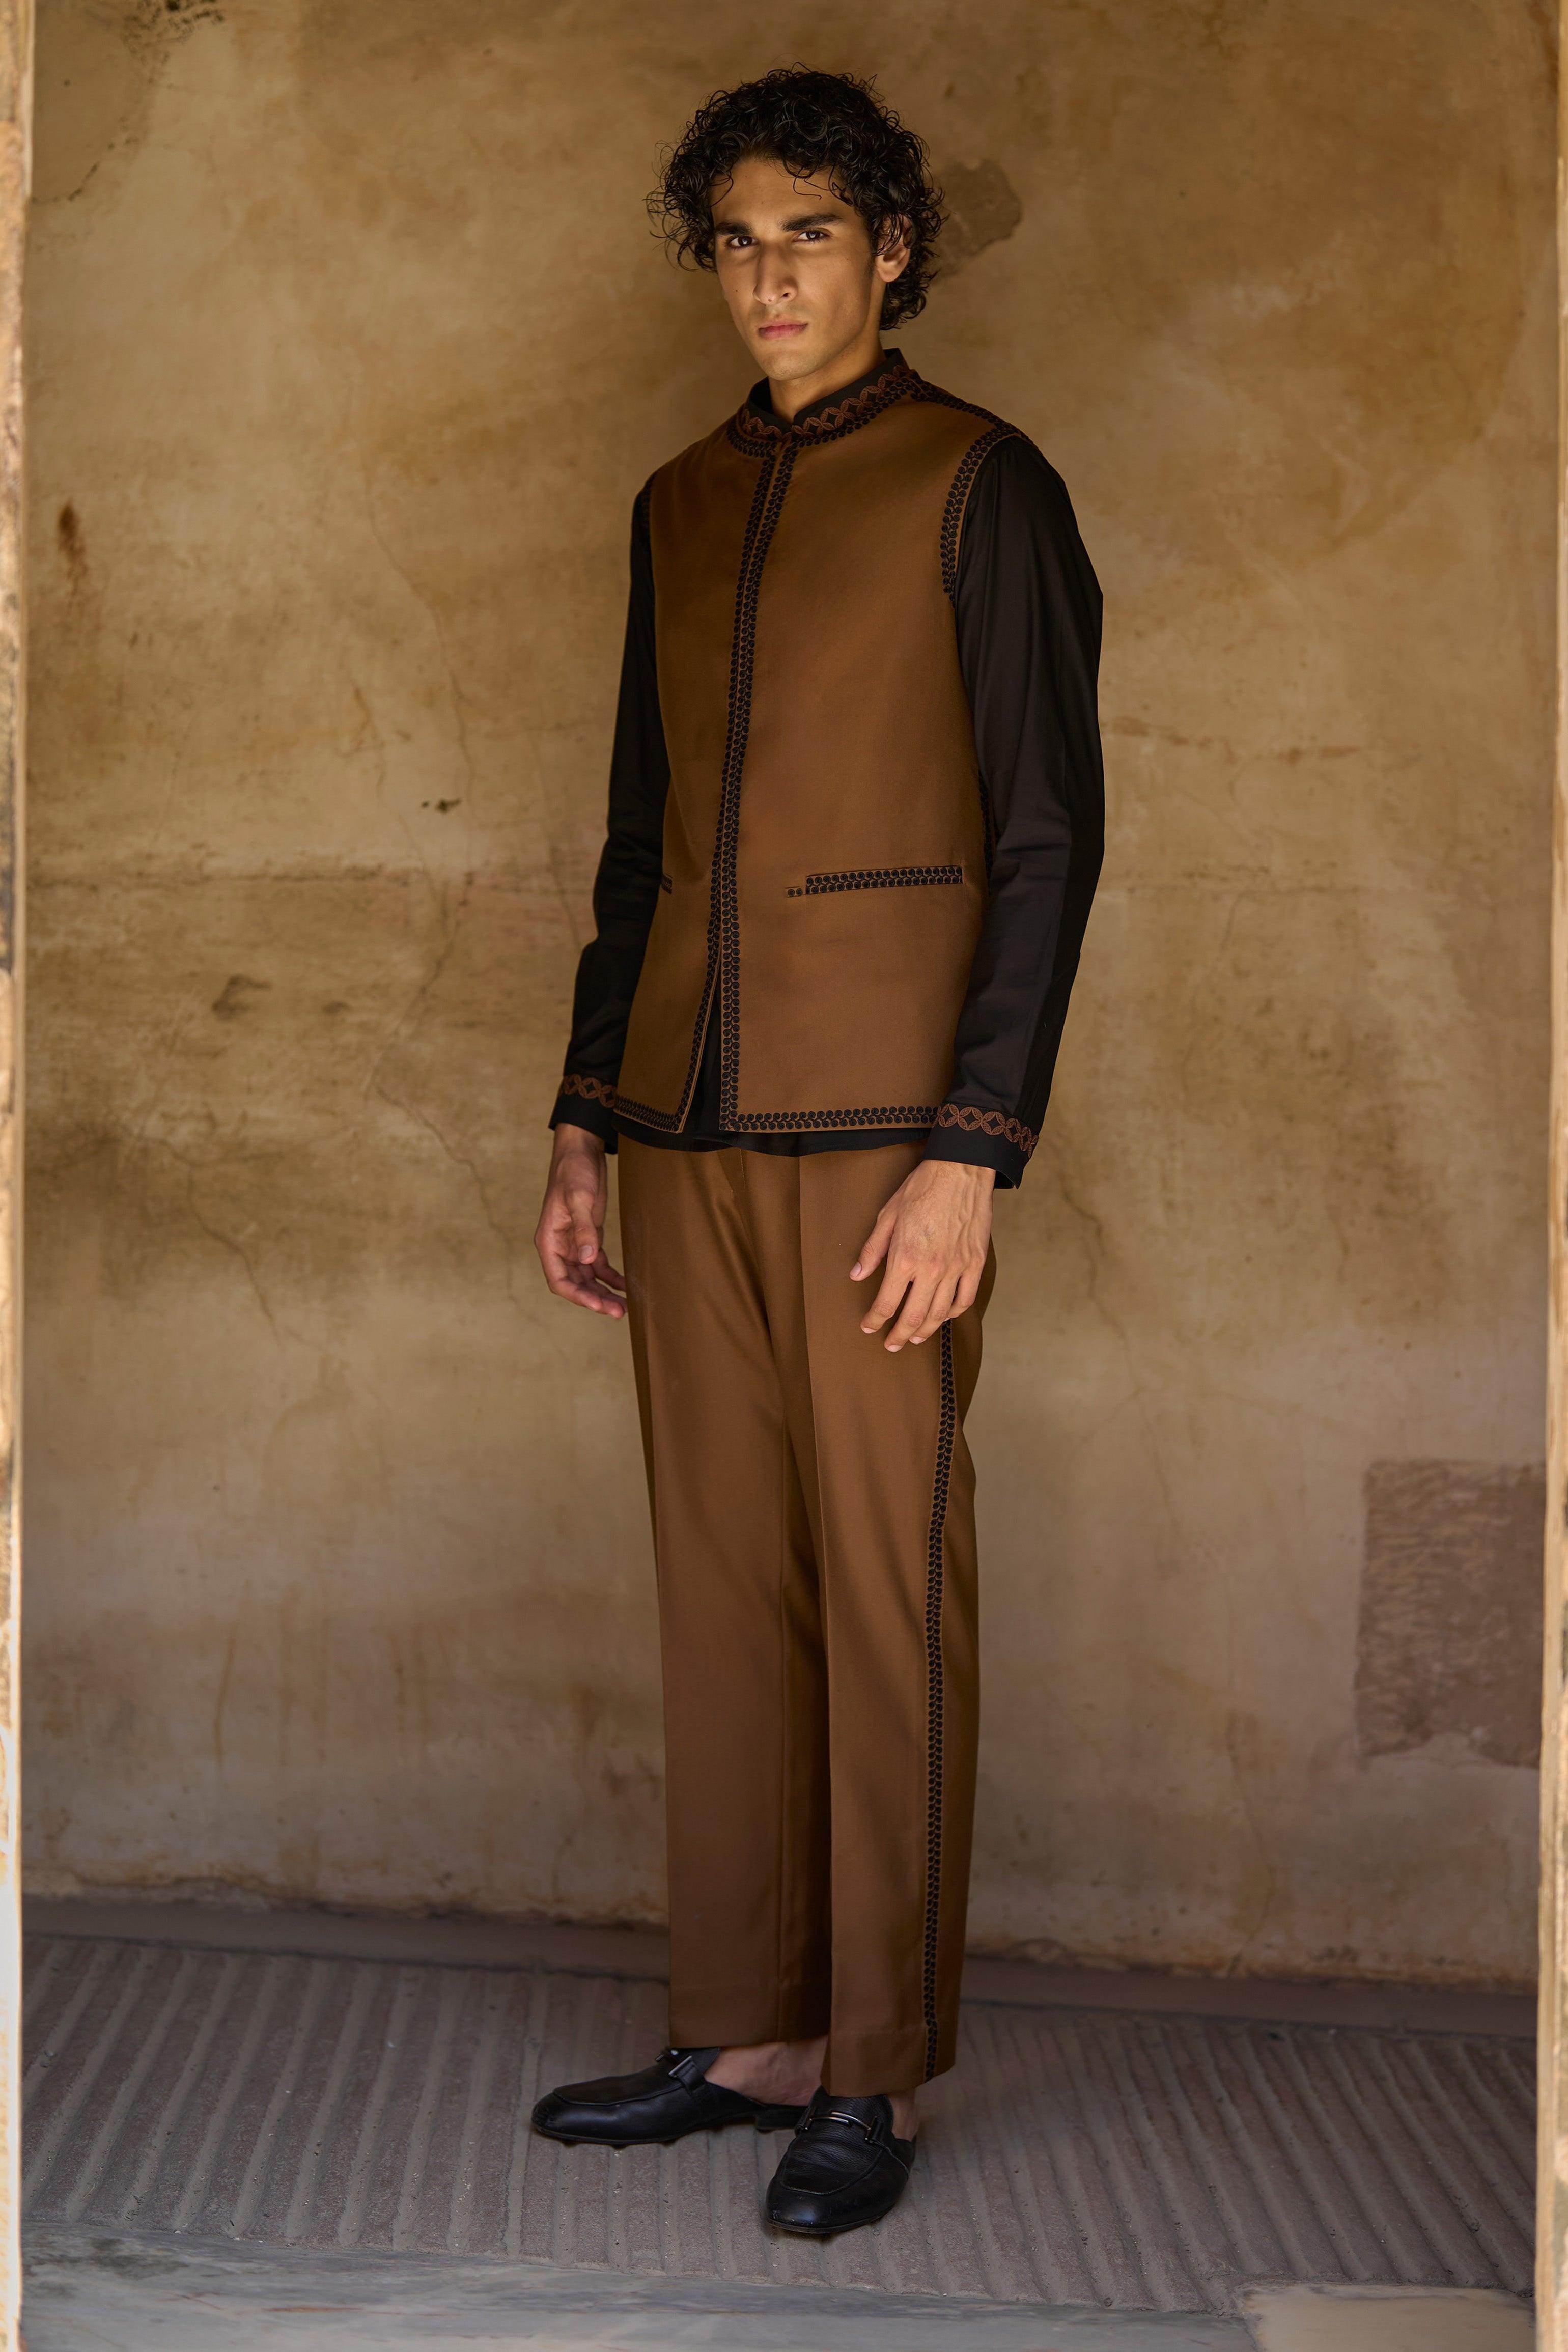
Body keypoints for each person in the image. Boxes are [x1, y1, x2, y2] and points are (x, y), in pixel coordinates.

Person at [530, 64, 1103, 2237]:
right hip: (680, 1123)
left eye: (812, 235)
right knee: (724, 1581)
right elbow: (639, 845)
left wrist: (974, 1149)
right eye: (738, 241)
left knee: (882, 1590)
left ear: (889, 251)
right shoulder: (674, 502)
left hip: (889, 1136)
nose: (770, 278)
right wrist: (583, 1117)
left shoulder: (981, 484)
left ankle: (869, 2065)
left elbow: (1047, 836)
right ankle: (747, 2033)